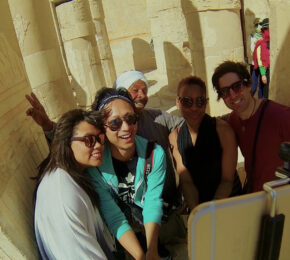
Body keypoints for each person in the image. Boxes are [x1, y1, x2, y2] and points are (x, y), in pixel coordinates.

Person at [87, 87, 167, 259]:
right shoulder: (95, 165)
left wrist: (152, 251)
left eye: (131, 119)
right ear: (102, 127)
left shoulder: (154, 154)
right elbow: (113, 215)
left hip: (144, 221)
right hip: (114, 231)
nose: (126, 128)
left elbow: (153, 201)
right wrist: (140, 256)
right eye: (115, 123)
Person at [33, 109, 116, 260]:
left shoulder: (68, 172)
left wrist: (49, 127)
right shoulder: (62, 197)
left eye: (100, 138)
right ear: (66, 143)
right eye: (89, 140)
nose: (98, 146)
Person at [212, 60, 290, 193]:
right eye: (225, 91)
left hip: (281, 200)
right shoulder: (233, 120)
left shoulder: (281, 116)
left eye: (237, 86)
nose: (232, 95)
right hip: (256, 198)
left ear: (248, 85)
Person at [169, 76, 241, 210]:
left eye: (200, 101)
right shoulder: (175, 137)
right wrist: (197, 212)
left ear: (206, 102)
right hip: (201, 206)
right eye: (187, 102)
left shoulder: (223, 131)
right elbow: (186, 181)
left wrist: (209, 213)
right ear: (178, 102)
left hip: (229, 203)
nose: (194, 107)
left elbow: (227, 180)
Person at [252, 18, 270, 98]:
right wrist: (263, 74)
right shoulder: (260, 43)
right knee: (258, 89)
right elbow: (260, 60)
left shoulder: (269, 41)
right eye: (265, 29)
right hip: (263, 70)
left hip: (269, 70)